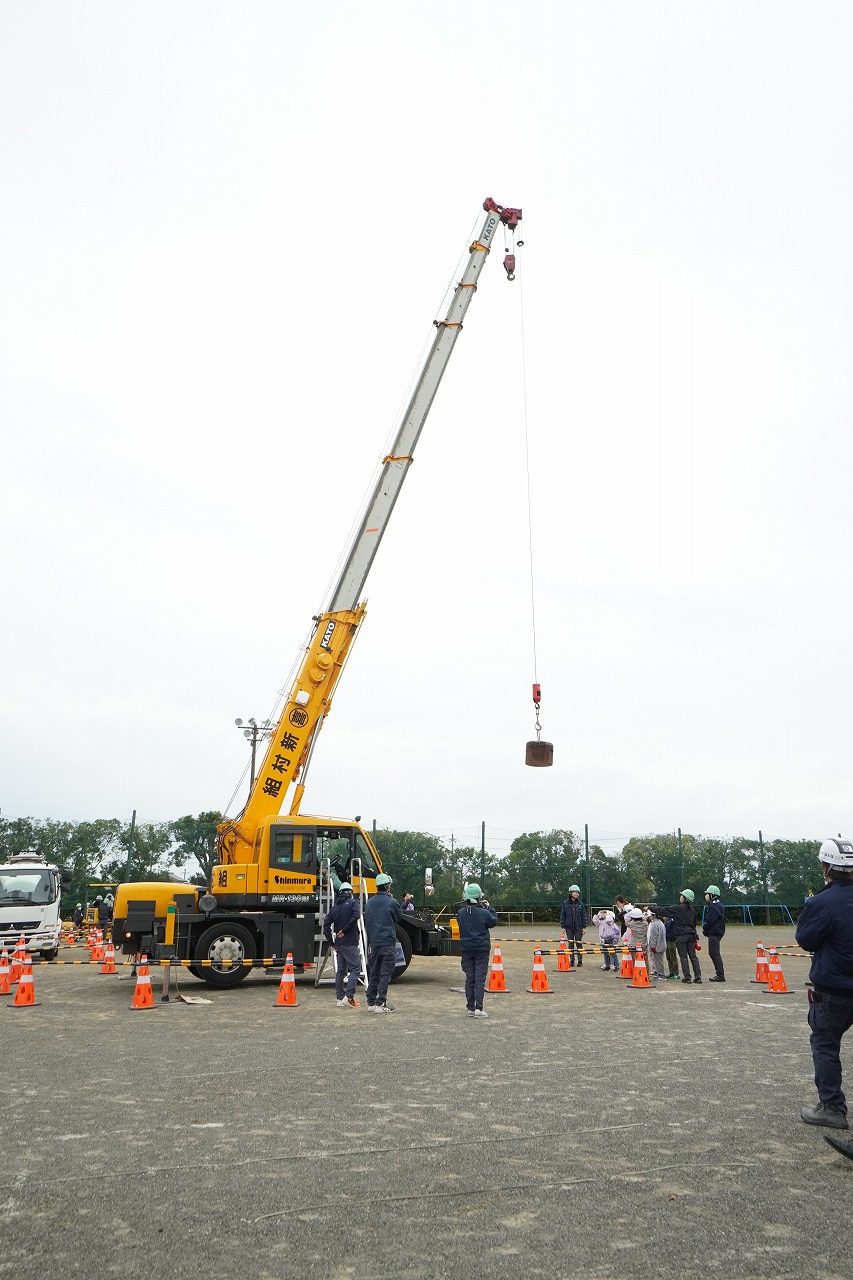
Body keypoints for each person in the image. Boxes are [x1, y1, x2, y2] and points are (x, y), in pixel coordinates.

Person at [795, 837, 853, 1130]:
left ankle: (832, 1107)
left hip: (835, 988)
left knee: (826, 1044)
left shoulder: (822, 902)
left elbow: (805, 939)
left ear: (826, 867)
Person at [456, 883, 498, 1017]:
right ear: (478, 898)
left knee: (470, 978)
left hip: (466, 949)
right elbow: (493, 921)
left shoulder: (461, 913)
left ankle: (470, 1008)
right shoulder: (483, 913)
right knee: (479, 979)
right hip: (481, 949)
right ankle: (479, 1008)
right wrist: (489, 907)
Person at [363, 872, 402, 1013]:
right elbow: (398, 917)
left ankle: (371, 1002)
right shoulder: (391, 902)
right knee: (386, 974)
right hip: (387, 942)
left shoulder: (369, 903)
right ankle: (381, 1003)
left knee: (374, 972)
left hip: (374, 943)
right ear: (386, 886)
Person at [323, 882, 362, 1007]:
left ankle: (340, 999)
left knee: (340, 971)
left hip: (339, 944)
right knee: (356, 968)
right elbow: (357, 915)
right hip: (350, 942)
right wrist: (345, 930)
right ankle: (349, 996)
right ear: (350, 892)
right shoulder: (353, 903)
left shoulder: (335, 907)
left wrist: (331, 942)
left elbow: (326, 925)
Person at [665, 890, 702, 983]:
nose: (680, 897)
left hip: (681, 936)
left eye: (681, 896)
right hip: (691, 935)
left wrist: (651, 908)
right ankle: (698, 976)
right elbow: (694, 924)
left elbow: (665, 911)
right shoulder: (692, 910)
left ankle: (687, 977)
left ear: (684, 898)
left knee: (683, 956)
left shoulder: (678, 908)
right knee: (693, 956)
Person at [702, 885, 726, 982]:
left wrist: (705, 928)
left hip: (714, 933)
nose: (706, 896)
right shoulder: (718, 905)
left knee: (714, 953)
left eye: (707, 894)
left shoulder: (713, 906)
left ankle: (720, 975)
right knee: (714, 953)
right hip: (717, 932)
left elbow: (710, 920)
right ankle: (720, 974)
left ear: (712, 895)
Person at [559, 885, 587, 967]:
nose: (577, 894)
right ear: (571, 893)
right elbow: (563, 915)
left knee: (579, 943)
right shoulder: (565, 903)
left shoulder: (580, 904)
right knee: (570, 944)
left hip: (579, 927)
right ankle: (571, 960)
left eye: (578, 893)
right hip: (569, 927)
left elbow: (584, 916)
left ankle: (580, 961)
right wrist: (563, 926)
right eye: (575, 892)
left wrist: (584, 927)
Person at [646, 906, 667, 981]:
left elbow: (654, 937)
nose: (650, 917)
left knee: (658, 961)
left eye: (651, 915)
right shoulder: (660, 922)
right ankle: (660, 974)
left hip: (657, 946)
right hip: (662, 944)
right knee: (660, 960)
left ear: (654, 915)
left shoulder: (654, 924)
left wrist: (653, 946)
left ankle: (660, 975)